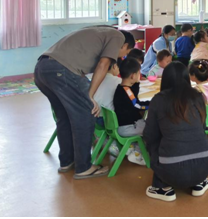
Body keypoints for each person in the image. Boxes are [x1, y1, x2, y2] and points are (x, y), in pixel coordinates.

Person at [34, 26, 135, 179]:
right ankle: (83, 167)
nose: (123, 56)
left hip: (42, 69)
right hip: (61, 69)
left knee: (64, 117)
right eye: (126, 52)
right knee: (87, 113)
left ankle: (67, 162)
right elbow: (103, 65)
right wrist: (90, 96)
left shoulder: (100, 32)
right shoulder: (118, 36)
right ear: (125, 45)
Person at [143, 62, 208, 202]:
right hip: (206, 163)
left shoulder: (159, 99)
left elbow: (150, 134)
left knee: (154, 142)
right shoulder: (197, 96)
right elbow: (202, 127)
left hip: (171, 169)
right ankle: (199, 182)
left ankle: (162, 187)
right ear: (187, 77)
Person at [113, 57, 150, 165]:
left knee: (144, 124)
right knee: (153, 128)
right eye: (139, 73)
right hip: (128, 127)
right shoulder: (127, 91)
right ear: (133, 76)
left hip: (122, 126)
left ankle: (133, 148)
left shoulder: (121, 88)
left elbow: (133, 99)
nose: (140, 75)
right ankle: (138, 154)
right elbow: (138, 105)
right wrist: (153, 104)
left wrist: (137, 83)